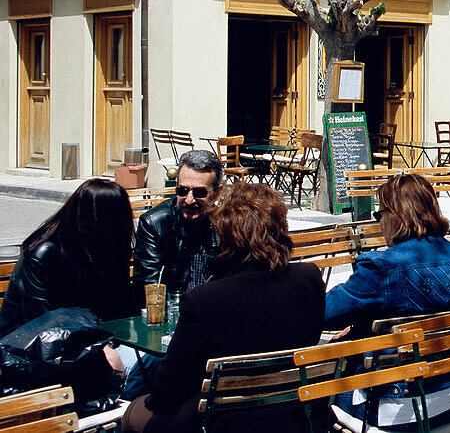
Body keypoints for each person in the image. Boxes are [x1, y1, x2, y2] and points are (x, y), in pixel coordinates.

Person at [122, 183, 324, 433]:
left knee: (134, 412)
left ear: (227, 234)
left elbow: (167, 390)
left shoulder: (204, 300)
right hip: (293, 414)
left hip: (220, 421)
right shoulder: (309, 278)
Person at [324, 173, 450, 430]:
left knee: (307, 393)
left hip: (394, 405)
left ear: (395, 215)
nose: (378, 223)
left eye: (379, 215)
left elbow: (325, 313)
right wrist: (362, 323)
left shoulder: (381, 266)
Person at [0, 179, 136, 341]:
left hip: (87, 340)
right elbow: (42, 321)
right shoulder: (44, 254)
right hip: (31, 348)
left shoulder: (108, 248)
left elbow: (120, 308)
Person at [133, 149, 223, 298]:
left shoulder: (227, 223)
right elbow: (148, 289)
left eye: (199, 193)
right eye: (182, 191)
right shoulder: (154, 224)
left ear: (217, 193)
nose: (189, 200)